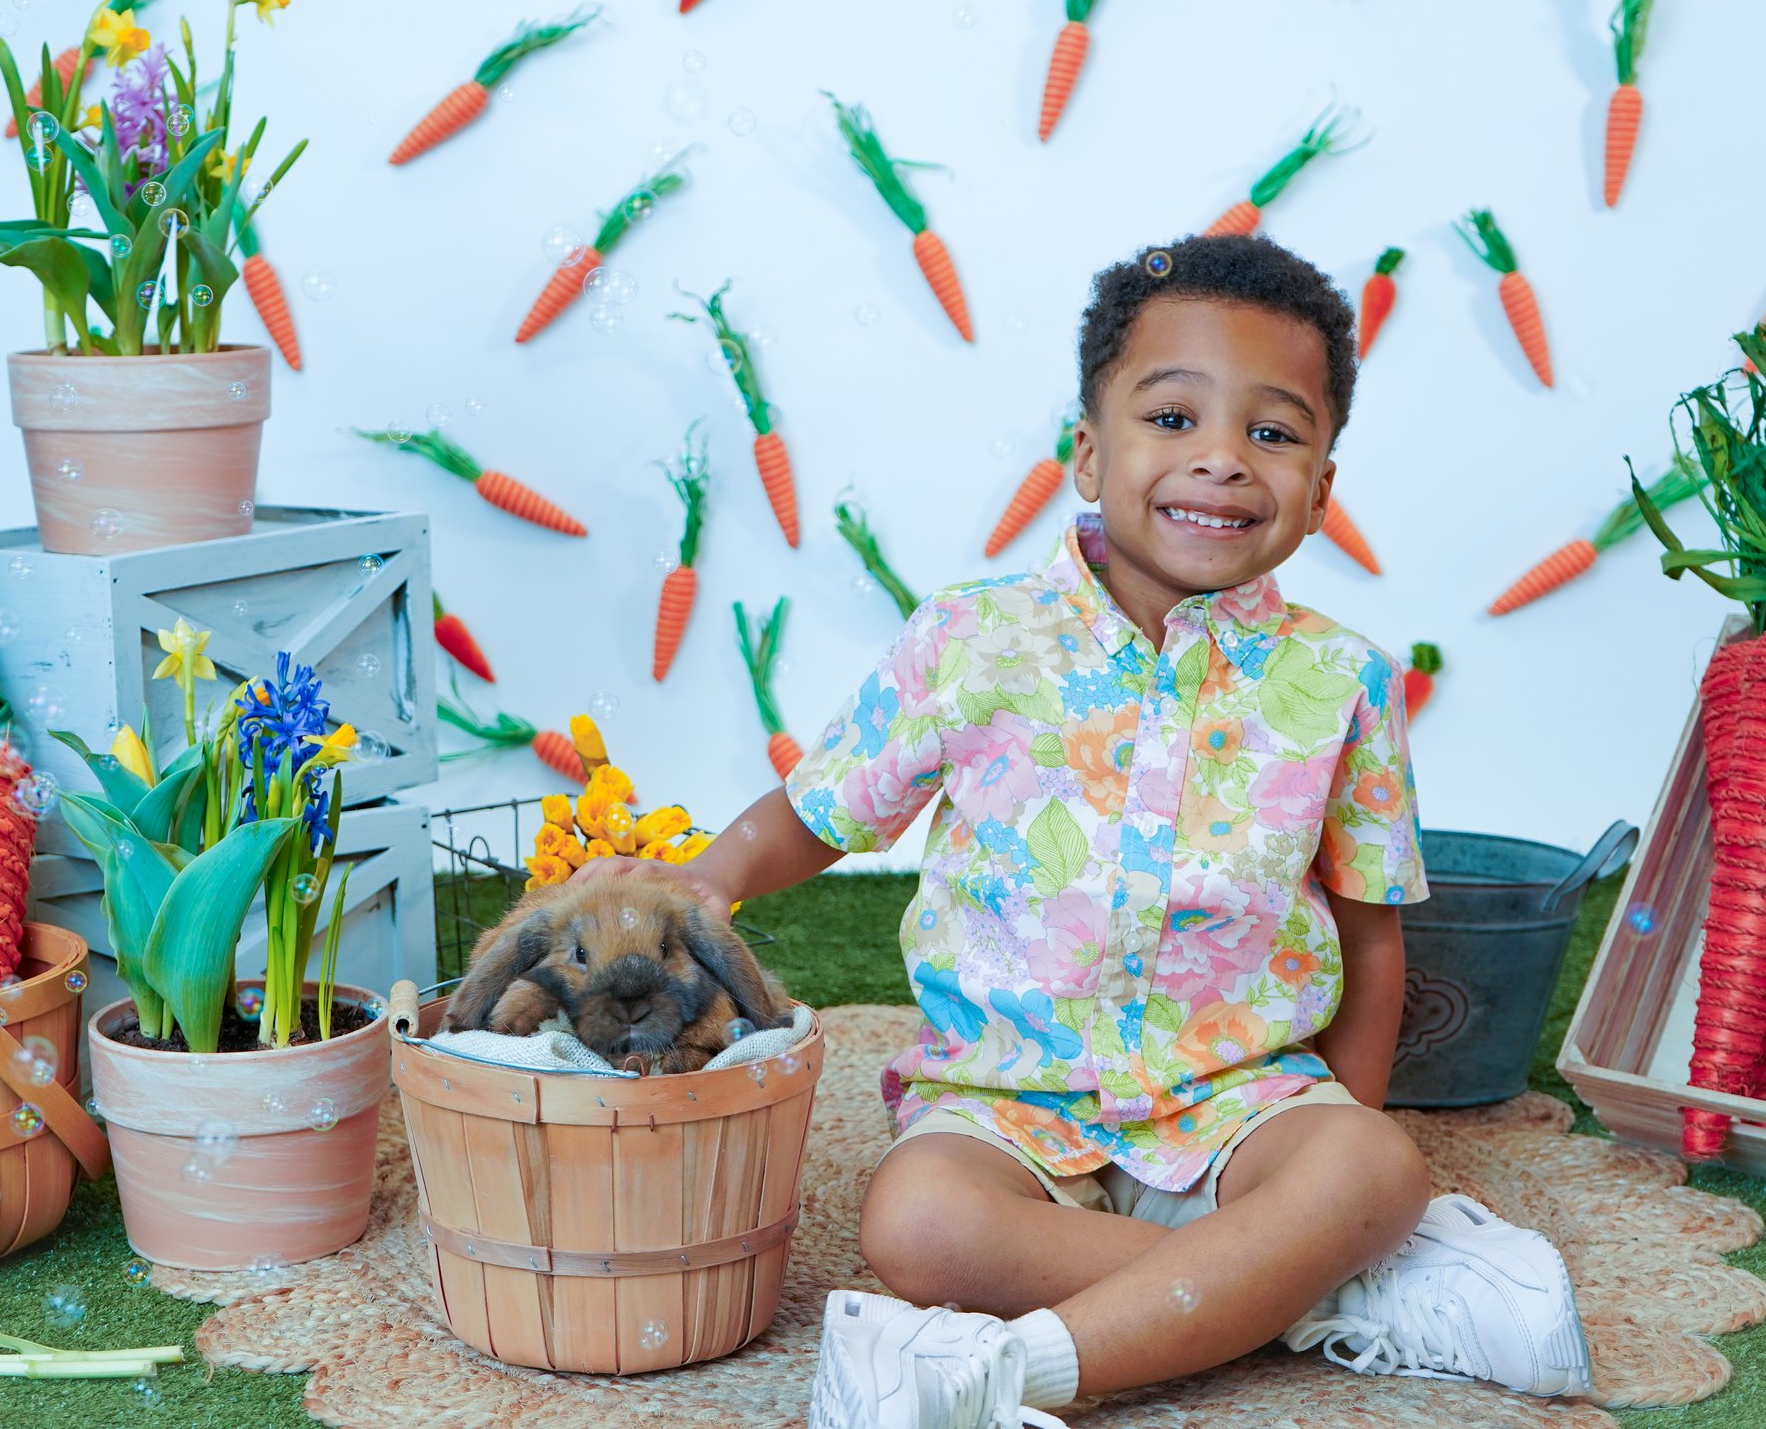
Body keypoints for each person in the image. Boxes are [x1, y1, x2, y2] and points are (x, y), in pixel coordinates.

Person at [574, 234, 1588, 1428]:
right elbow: (820, 807)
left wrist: (1336, 1151)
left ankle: (1014, 1374)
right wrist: (703, 882)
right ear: (1088, 453)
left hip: (1240, 1102)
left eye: (1272, 433)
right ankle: (1323, 1290)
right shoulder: (971, 639)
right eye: (1171, 416)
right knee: (916, 1222)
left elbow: (1368, 937)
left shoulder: (1343, 679)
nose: (1219, 458)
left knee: (1371, 1171)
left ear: (1320, 491)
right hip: (1008, 1102)